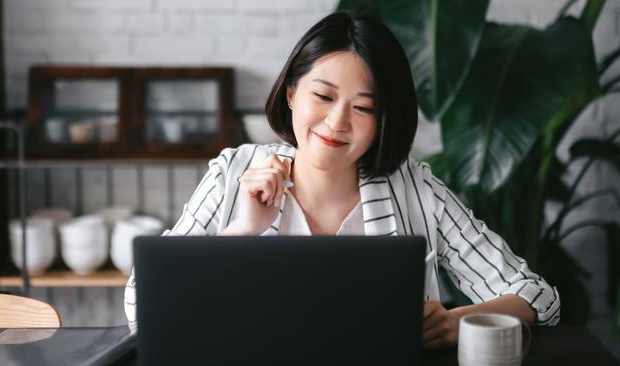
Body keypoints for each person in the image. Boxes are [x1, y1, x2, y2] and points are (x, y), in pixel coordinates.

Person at [124, 12, 560, 348]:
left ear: (383, 120)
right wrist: (242, 231)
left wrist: (455, 321)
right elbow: (143, 306)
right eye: (323, 96)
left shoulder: (415, 188)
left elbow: (537, 296)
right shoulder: (232, 174)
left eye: (363, 107)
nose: (336, 123)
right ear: (292, 93)